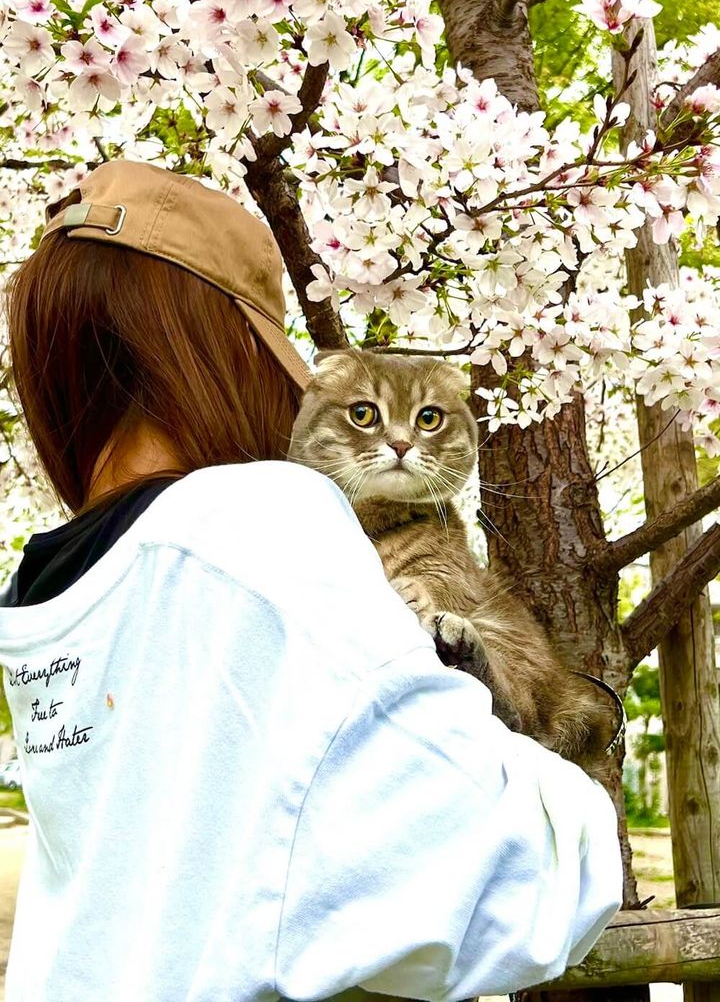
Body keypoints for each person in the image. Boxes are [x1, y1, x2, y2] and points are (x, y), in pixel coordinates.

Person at [0, 160, 622, 1002]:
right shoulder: (259, 524)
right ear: (226, 349)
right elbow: (523, 887)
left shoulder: (46, 597)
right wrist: (568, 780)